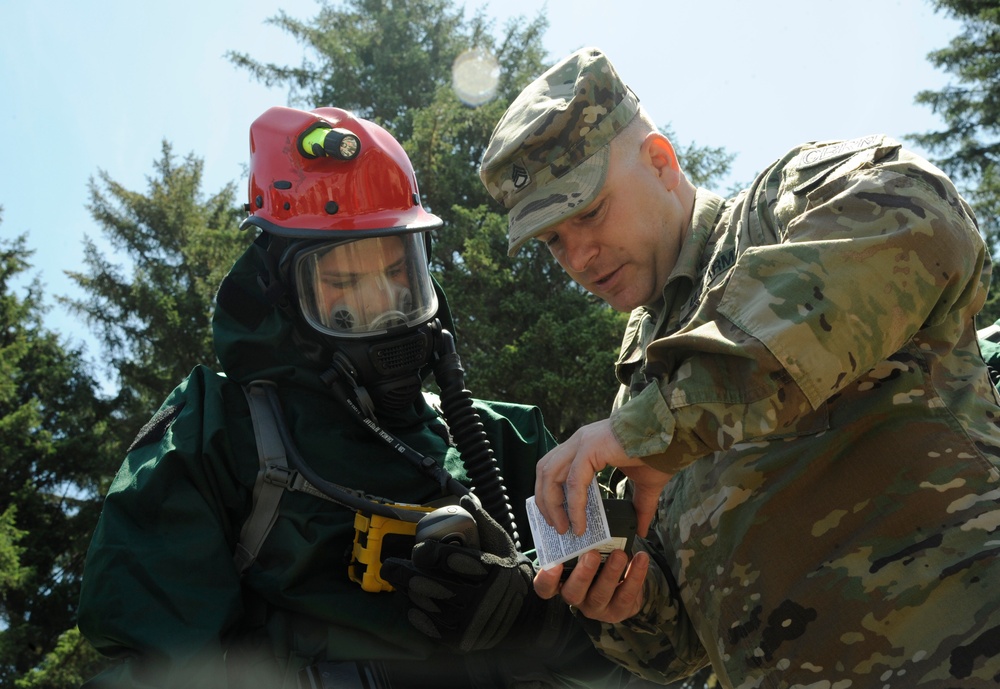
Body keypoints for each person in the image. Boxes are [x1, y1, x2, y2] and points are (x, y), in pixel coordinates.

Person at [478, 47, 1000, 687]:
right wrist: (626, 603)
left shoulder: (782, 208)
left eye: (588, 211)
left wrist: (656, 423)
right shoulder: (642, 383)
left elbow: (922, 217)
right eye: (554, 238)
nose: (579, 256)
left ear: (661, 163)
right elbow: (685, 645)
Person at [77, 105, 642, 689]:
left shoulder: (511, 442)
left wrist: (541, 624)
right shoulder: (217, 436)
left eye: (399, 274)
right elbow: (156, 669)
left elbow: (649, 654)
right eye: (343, 283)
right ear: (280, 292)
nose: (383, 307)